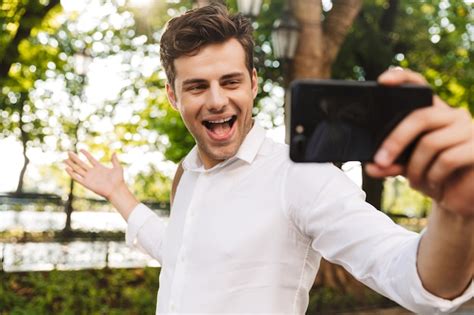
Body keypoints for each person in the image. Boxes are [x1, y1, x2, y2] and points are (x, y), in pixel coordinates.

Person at [64, 4, 473, 314]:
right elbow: (178, 251)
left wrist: (459, 214)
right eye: (196, 87)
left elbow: (414, 278)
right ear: (173, 95)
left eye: (230, 81)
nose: (217, 100)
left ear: (253, 83)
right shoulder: (183, 174)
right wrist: (118, 193)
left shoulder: (298, 178)